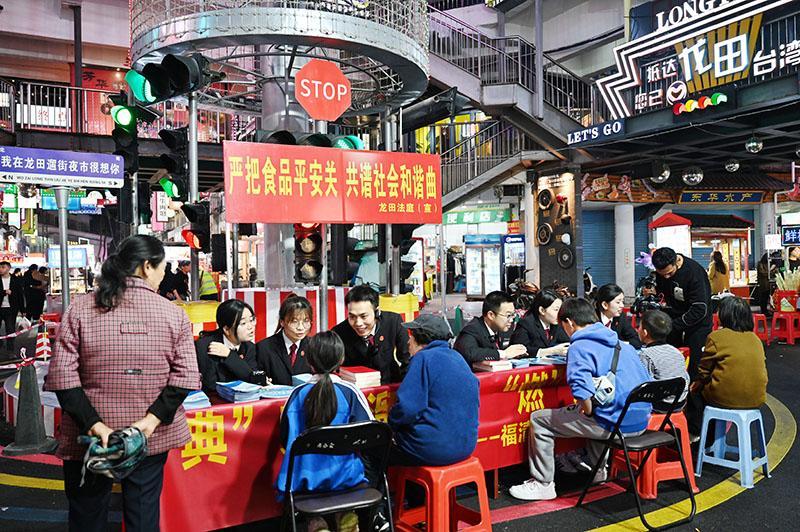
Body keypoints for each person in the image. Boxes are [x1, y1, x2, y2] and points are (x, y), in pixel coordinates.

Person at [44, 235, 200, 531]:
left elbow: (63, 377)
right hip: (149, 439)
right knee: (143, 517)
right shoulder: (173, 314)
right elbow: (185, 377)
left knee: (87, 517)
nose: (163, 275)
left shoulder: (80, 308)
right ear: (146, 266)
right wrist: (149, 423)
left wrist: (95, 425)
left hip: (89, 440)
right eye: (162, 268)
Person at [509, 298, 651, 501]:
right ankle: (599, 472)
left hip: (614, 426)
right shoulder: (622, 345)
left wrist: (588, 410)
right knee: (596, 410)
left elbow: (582, 391)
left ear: (569, 322)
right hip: (641, 422)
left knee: (539, 420)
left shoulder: (580, 346)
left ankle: (543, 483)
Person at [276, 331, 374, 508]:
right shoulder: (350, 393)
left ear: (309, 361)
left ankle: (315, 520)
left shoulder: (296, 395)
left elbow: (284, 438)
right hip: (347, 478)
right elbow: (370, 436)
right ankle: (344, 515)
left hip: (301, 482)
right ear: (341, 359)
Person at [389, 314, 479, 467]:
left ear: (419, 339)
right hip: (467, 447)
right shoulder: (457, 357)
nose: (408, 341)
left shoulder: (423, 359)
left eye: (411, 336)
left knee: (374, 449)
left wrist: (391, 423)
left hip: (432, 450)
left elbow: (407, 408)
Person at [686, 296, 768, 435]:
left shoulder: (716, 337)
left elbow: (704, 371)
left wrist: (697, 383)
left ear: (725, 314)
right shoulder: (755, 339)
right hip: (756, 399)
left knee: (695, 391)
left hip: (724, 399)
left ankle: (699, 433)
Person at [652, 247, 712, 379]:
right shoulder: (661, 274)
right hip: (674, 318)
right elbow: (662, 294)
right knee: (671, 360)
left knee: (695, 363)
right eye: (662, 274)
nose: (666, 277)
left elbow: (699, 309)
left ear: (676, 262)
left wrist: (674, 325)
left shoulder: (694, 272)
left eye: (669, 273)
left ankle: (694, 389)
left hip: (698, 321)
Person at [331, 285, 409, 384]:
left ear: (377, 312)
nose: (358, 323)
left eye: (364, 316)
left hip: (390, 384)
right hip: (356, 387)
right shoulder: (339, 333)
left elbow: (407, 359)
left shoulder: (393, 322)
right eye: (352, 317)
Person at [195, 299, 266, 395]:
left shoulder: (249, 347)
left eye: (252, 320)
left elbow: (253, 379)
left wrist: (230, 356)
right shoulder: (205, 346)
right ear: (227, 329)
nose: (251, 327)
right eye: (243, 323)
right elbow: (210, 385)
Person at [454, 290, 527, 363]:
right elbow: (470, 353)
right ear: (491, 315)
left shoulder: (501, 327)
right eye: (508, 315)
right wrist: (504, 354)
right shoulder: (472, 329)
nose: (511, 320)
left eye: (513, 315)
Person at [636, 310, 690, 406]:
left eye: (639, 326)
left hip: (660, 404)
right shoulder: (676, 352)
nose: (637, 329)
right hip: (680, 402)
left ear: (645, 332)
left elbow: (642, 383)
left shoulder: (645, 355)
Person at [256, 295, 313, 386]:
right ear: (282, 322)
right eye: (294, 322)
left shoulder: (314, 346)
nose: (301, 327)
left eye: (306, 321)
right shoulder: (264, 348)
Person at [510, 289, 570, 357]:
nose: (560, 314)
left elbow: (566, 342)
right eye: (556, 310)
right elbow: (519, 350)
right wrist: (552, 351)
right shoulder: (526, 324)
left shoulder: (556, 324)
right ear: (542, 310)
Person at [594, 284, 641, 348]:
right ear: (605, 305)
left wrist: (618, 344)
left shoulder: (621, 317)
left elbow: (635, 340)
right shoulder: (592, 319)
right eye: (618, 302)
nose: (622, 306)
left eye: (622, 302)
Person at [0, 261, 24, 350]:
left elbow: (20, 295)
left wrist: (23, 310)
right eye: (0, 267)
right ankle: (0, 343)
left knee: (10, 329)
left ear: (9, 268)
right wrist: (4, 292)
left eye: (3, 267)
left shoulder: (15, 280)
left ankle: (10, 349)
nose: (0, 269)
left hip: (11, 309)